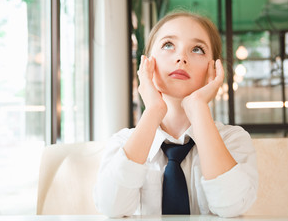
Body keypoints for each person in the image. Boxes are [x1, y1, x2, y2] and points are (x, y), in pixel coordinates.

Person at [93, 11, 258, 218]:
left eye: (197, 49)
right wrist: (153, 110)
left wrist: (198, 107)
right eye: (168, 45)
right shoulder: (123, 143)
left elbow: (232, 206)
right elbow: (111, 208)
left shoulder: (233, 140)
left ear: (213, 70)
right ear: (148, 63)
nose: (181, 58)